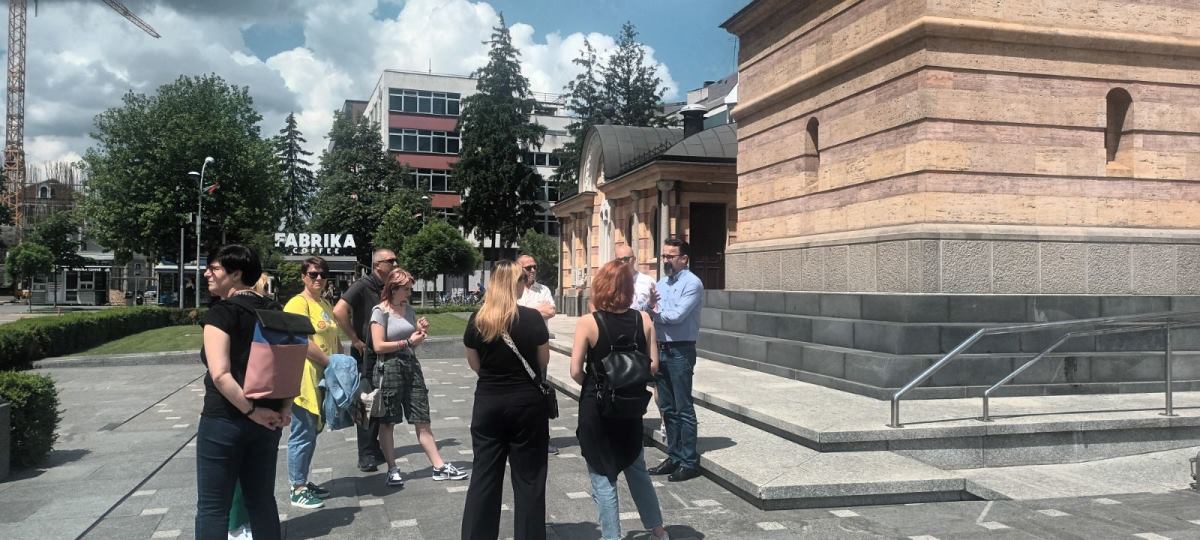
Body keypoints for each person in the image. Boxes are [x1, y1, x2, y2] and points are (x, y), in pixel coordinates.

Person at [570, 260, 669, 540]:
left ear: (601, 287)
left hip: (597, 407)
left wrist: (597, 384)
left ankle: (612, 536)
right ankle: (658, 530)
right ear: (628, 288)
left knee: (603, 474)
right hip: (630, 405)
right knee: (636, 467)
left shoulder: (588, 322)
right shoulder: (644, 319)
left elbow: (575, 370)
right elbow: (653, 365)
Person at [194, 244, 286, 540]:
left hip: (224, 420)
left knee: (213, 507)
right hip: (269, 420)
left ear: (236, 274)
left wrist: (251, 411)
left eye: (214, 268)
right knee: (262, 501)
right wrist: (283, 410)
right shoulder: (275, 310)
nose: (206, 273)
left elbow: (221, 375)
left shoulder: (222, 313)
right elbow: (290, 365)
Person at [461, 260, 551, 540]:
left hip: (489, 401)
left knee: (484, 476)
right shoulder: (532, 318)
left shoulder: (478, 319)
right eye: (523, 279)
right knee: (529, 479)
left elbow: (474, 363)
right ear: (516, 285)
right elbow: (543, 361)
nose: (527, 283)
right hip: (527, 404)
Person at [369, 267, 470, 487]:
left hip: (411, 366)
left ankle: (439, 467)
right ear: (393, 288)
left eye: (410, 289)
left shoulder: (408, 309)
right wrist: (407, 342)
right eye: (406, 289)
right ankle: (392, 469)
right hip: (389, 368)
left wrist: (419, 332)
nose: (409, 292)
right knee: (388, 421)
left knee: (422, 417)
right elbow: (378, 346)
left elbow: (412, 342)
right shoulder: (380, 311)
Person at [283, 257, 341, 509]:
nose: (319, 278)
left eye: (323, 274)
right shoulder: (298, 303)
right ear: (303, 276)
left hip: (323, 377)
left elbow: (334, 338)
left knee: (312, 431)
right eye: (313, 274)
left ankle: (303, 481)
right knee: (302, 432)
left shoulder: (325, 303)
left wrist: (341, 364)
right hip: (304, 377)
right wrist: (331, 363)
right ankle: (297, 488)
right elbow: (301, 341)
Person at [645, 237, 705, 482]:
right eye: (664, 256)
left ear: (684, 258)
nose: (666, 260)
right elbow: (647, 309)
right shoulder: (662, 283)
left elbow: (677, 316)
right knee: (667, 407)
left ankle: (689, 461)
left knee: (683, 407)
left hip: (680, 350)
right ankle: (674, 455)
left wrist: (654, 311)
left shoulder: (693, 283)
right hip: (661, 348)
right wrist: (652, 309)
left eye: (670, 256)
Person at [332, 248, 396, 472]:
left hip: (383, 352)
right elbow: (339, 310)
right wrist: (355, 339)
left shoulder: (387, 286)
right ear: (377, 265)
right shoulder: (363, 285)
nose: (395, 264)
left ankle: (374, 447)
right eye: (391, 261)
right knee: (366, 401)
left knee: (380, 400)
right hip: (366, 354)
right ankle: (365, 454)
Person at [515, 253, 558, 454]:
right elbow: (510, 313)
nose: (533, 270)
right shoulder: (513, 289)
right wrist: (536, 311)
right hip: (516, 350)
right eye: (528, 267)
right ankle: (519, 436)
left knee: (540, 393)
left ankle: (542, 438)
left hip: (538, 349)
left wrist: (524, 311)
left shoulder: (543, 290)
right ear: (519, 269)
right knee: (518, 394)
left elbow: (550, 311)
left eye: (534, 266)